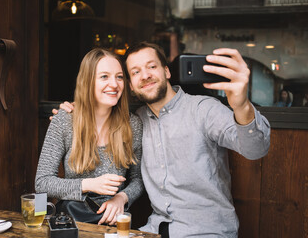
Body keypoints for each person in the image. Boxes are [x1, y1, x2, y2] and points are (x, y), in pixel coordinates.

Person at [55, 42, 271, 238]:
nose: (145, 75)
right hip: (155, 229)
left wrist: (241, 105)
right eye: (135, 72)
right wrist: (73, 113)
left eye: (152, 67)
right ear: (130, 85)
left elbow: (256, 149)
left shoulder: (203, 109)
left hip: (207, 231)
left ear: (166, 71)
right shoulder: (135, 121)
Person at [36, 48, 144, 226]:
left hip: (114, 223)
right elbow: (42, 182)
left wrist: (121, 198)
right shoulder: (64, 120)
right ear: (87, 82)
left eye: (119, 77)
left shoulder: (132, 125)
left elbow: (138, 179)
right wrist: (88, 184)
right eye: (104, 77)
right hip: (73, 222)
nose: (114, 84)